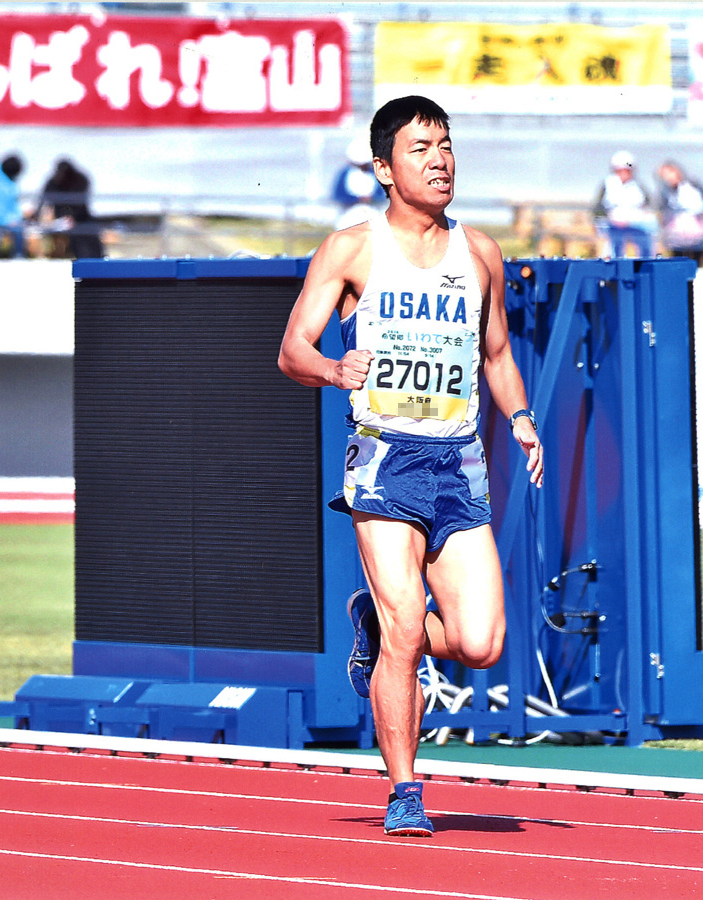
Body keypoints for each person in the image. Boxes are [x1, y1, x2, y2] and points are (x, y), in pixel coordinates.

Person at [278, 95, 544, 838]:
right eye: (422, 147)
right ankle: (405, 790)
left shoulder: (480, 252)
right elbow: (291, 349)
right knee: (405, 631)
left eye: (447, 145)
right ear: (384, 167)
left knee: (482, 641)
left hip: (459, 462)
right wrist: (335, 370)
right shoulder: (353, 249)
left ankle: (374, 621)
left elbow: (496, 356)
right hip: (386, 462)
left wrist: (520, 419)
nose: (440, 160)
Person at [655, 159, 703, 266]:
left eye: (670, 173)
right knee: (678, 262)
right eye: (664, 175)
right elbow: (663, 210)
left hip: (696, 231)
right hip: (677, 235)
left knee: (697, 262)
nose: (669, 177)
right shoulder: (665, 192)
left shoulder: (693, 185)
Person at [33, 158, 103, 259]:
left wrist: (73, 217)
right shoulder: (54, 181)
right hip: (60, 217)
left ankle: (97, 258)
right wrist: (37, 214)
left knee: (91, 232)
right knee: (74, 236)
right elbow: (42, 199)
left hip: (81, 216)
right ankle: (80, 258)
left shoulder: (81, 179)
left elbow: (82, 201)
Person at [592, 150, 656, 259]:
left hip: (636, 223)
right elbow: (598, 209)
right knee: (614, 245)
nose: (624, 173)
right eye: (620, 170)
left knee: (647, 237)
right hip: (613, 225)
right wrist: (610, 218)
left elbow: (648, 204)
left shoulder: (638, 186)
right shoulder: (607, 185)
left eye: (627, 170)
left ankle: (645, 263)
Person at [331, 135, 387, 230]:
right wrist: (356, 199)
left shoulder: (375, 174)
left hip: (371, 212)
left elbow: (382, 194)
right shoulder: (345, 173)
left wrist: (372, 199)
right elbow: (338, 195)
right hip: (349, 213)